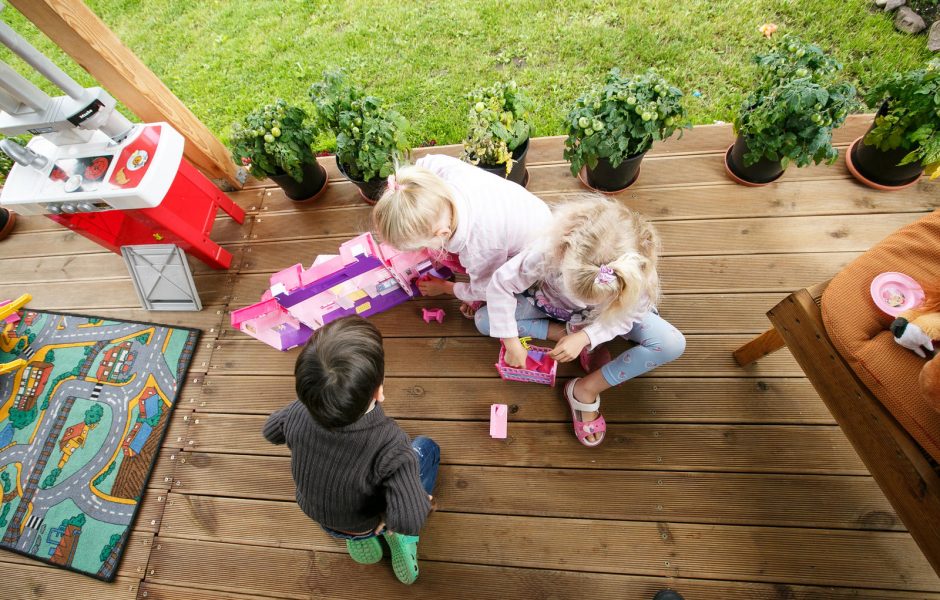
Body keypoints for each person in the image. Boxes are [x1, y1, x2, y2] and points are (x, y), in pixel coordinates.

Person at [477, 194, 686, 446]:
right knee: (484, 319)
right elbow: (501, 285)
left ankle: (585, 389)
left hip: (609, 320)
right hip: (550, 307)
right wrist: (511, 342)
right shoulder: (545, 251)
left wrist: (588, 335)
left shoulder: (636, 276)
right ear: (563, 249)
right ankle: (560, 332)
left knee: (672, 343)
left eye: (592, 298)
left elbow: (627, 316)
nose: (582, 303)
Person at [262, 316, 438, 585]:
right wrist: (414, 505)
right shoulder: (390, 444)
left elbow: (271, 432)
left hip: (317, 513)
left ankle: (355, 540)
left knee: (352, 509)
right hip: (367, 522)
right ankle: (396, 539)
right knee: (427, 449)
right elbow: (409, 517)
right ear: (378, 391)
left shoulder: (298, 411)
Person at [371, 154, 551, 317]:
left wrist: (447, 288)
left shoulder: (479, 247)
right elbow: (425, 162)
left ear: (442, 233)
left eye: (419, 245)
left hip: (534, 255)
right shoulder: (434, 174)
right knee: (439, 253)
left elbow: (487, 288)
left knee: (448, 260)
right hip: (528, 210)